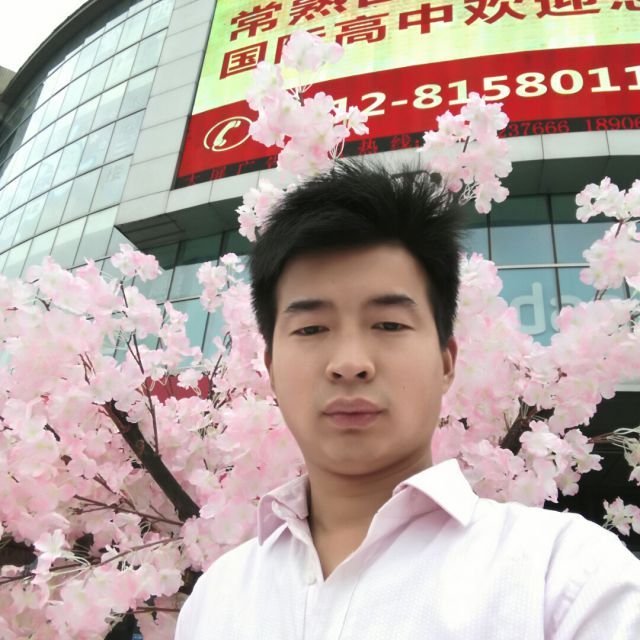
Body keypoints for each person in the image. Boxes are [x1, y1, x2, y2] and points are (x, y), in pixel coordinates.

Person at [174, 160, 640, 639]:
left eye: (389, 324)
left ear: (446, 361)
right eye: (311, 329)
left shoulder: (567, 579)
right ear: (271, 369)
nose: (350, 363)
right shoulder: (215, 601)